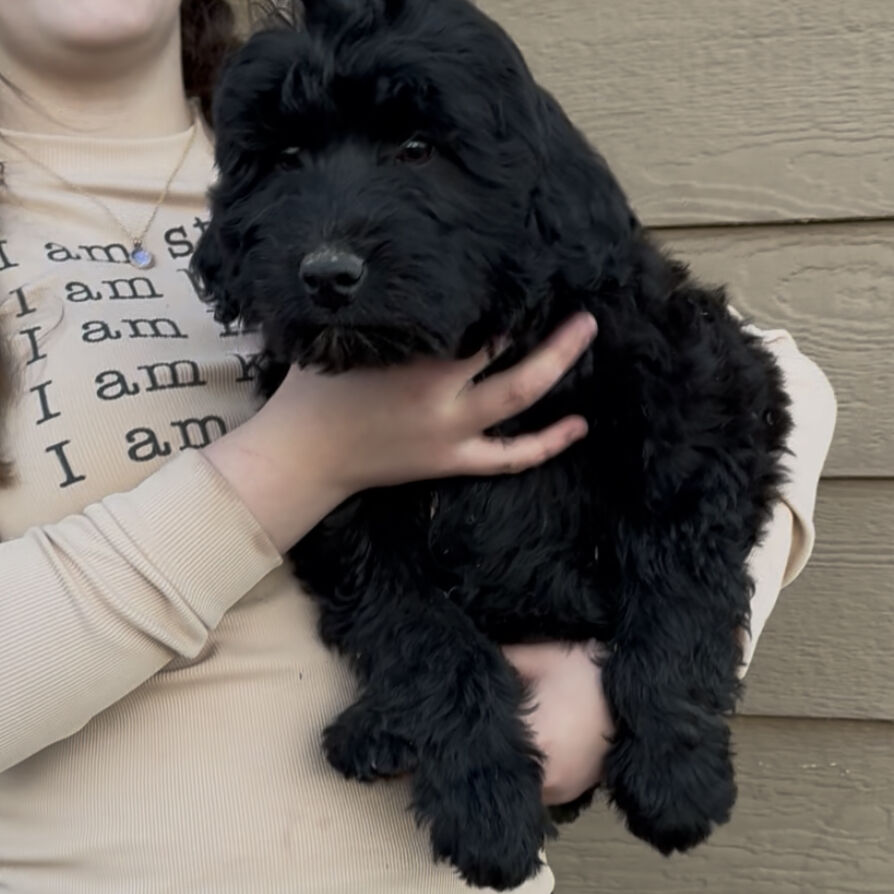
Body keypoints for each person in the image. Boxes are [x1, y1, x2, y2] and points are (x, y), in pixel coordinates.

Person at [0, 1, 836, 891]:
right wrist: (298, 461)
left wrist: (647, 676)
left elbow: (749, 377)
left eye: (410, 152)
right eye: (287, 162)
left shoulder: (338, 88)